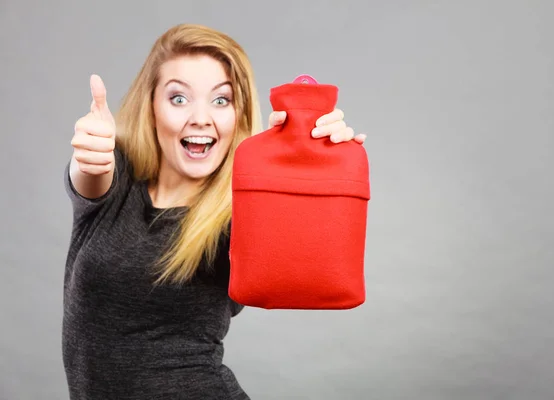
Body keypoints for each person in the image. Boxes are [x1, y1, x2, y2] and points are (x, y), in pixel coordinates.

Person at [63, 23, 366, 400]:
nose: (201, 118)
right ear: (152, 107)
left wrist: (313, 162)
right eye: (178, 98)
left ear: (238, 116)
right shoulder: (116, 176)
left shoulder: (243, 213)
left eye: (221, 100)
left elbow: (314, 261)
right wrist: (90, 155)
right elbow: (91, 174)